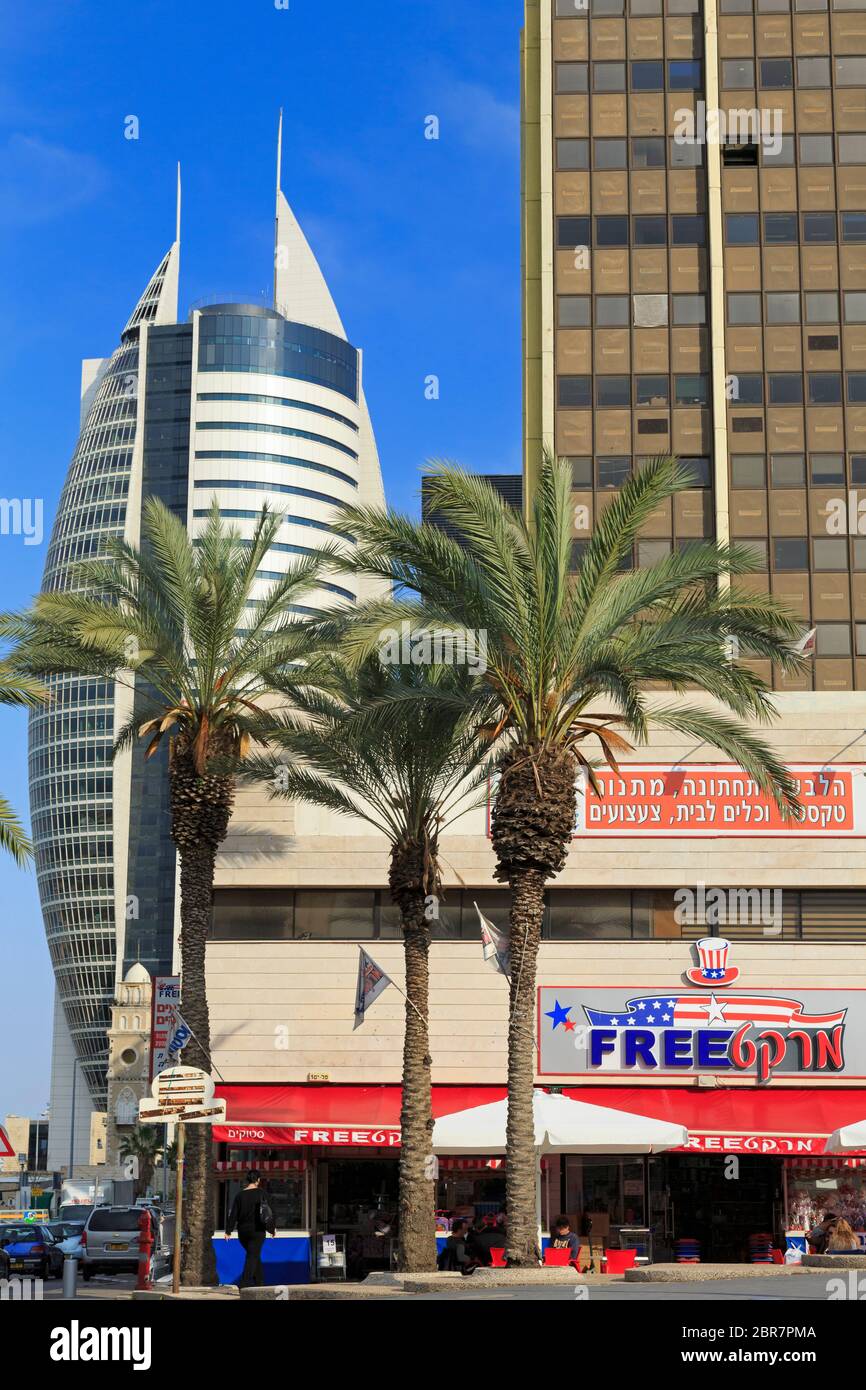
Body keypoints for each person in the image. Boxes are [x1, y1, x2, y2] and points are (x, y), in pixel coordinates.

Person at [225, 1171, 275, 1288]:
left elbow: (233, 1215)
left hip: (242, 1233)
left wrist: (228, 1231)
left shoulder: (239, 1195)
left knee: (254, 1255)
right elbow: (269, 1213)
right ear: (257, 1180)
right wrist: (272, 1229)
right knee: (252, 1257)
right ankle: (244, 1285)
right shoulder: (262, 1194)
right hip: (257, 1231)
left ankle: (259, 1283)